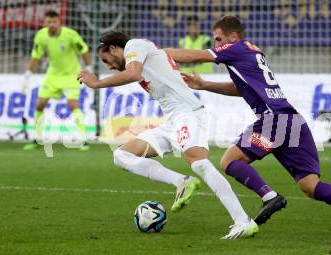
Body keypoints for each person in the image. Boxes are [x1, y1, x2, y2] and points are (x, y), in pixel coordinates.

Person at [165, 15, 331, 233]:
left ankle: (270, 197)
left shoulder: (235, 48)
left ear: (233, 36)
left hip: (273, 119)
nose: (216, 45)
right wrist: (205, 84)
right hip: (292, 120)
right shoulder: (252, 52)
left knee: (230, 160)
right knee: (309, 185)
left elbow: (194, 55)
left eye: (218, 39)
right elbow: (242, 88)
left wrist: (156, 53)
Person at [77, 31, 258, 239]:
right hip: (172, 121)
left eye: (106, 60)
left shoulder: (134, 45)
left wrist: (97, 83)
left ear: (113, 48)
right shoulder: (143, 52)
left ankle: (243, 221)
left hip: (188, 114)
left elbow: (133, 74)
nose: (108, 66)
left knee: (199, 162)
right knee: (121, 155)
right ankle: (182, 181)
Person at [23, 10, 91, 151]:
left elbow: (84, 50)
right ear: (44, 23)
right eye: (49, 22)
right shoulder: (41, 36)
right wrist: (28, 73)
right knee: (39, 105)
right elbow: (36, 55)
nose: (52, 25)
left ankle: (84, 140)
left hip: (71, 75)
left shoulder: (70, 34)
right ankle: (38, 138)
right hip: (53, 75)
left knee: (72, 104)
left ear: (59, 22)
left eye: (54, 22)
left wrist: (88, 68)